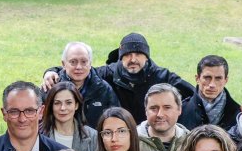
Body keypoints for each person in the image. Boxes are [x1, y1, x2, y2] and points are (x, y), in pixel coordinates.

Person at [42, 32, 195, 123]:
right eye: (127, 55)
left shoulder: (163, 76)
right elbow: (80, 70)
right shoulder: (108, 73)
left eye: (138, 55)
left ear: (146, 57)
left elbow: (193, 96)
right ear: (121, 58)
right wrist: (51, 71)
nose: (133, 59)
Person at [52, 42, 120, 128]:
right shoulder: (52, 86)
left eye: (84, 62)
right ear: (64, 64)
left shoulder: (103, 89)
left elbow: (116, 120)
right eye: (73, 62)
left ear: (90, 64)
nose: (79, 67)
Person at [41, 81, 99, 151]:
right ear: (51, 106)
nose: (63, 108)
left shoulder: (93, 135)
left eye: (68, 103)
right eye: (57, 103)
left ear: (76, 105)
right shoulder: (40, 136)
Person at [179, 56, 239, 132]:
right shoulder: (180, 112)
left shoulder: (239, 116)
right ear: (197, 79)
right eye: (207, 77)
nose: (212, 84)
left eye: (218, 78)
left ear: (225, 80)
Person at [137, 84, 189, 151]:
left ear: (179, 109)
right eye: (153, 108)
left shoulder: (190, 141)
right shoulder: (131, 140)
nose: (160, 114)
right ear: (146, 111)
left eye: (167, 108)